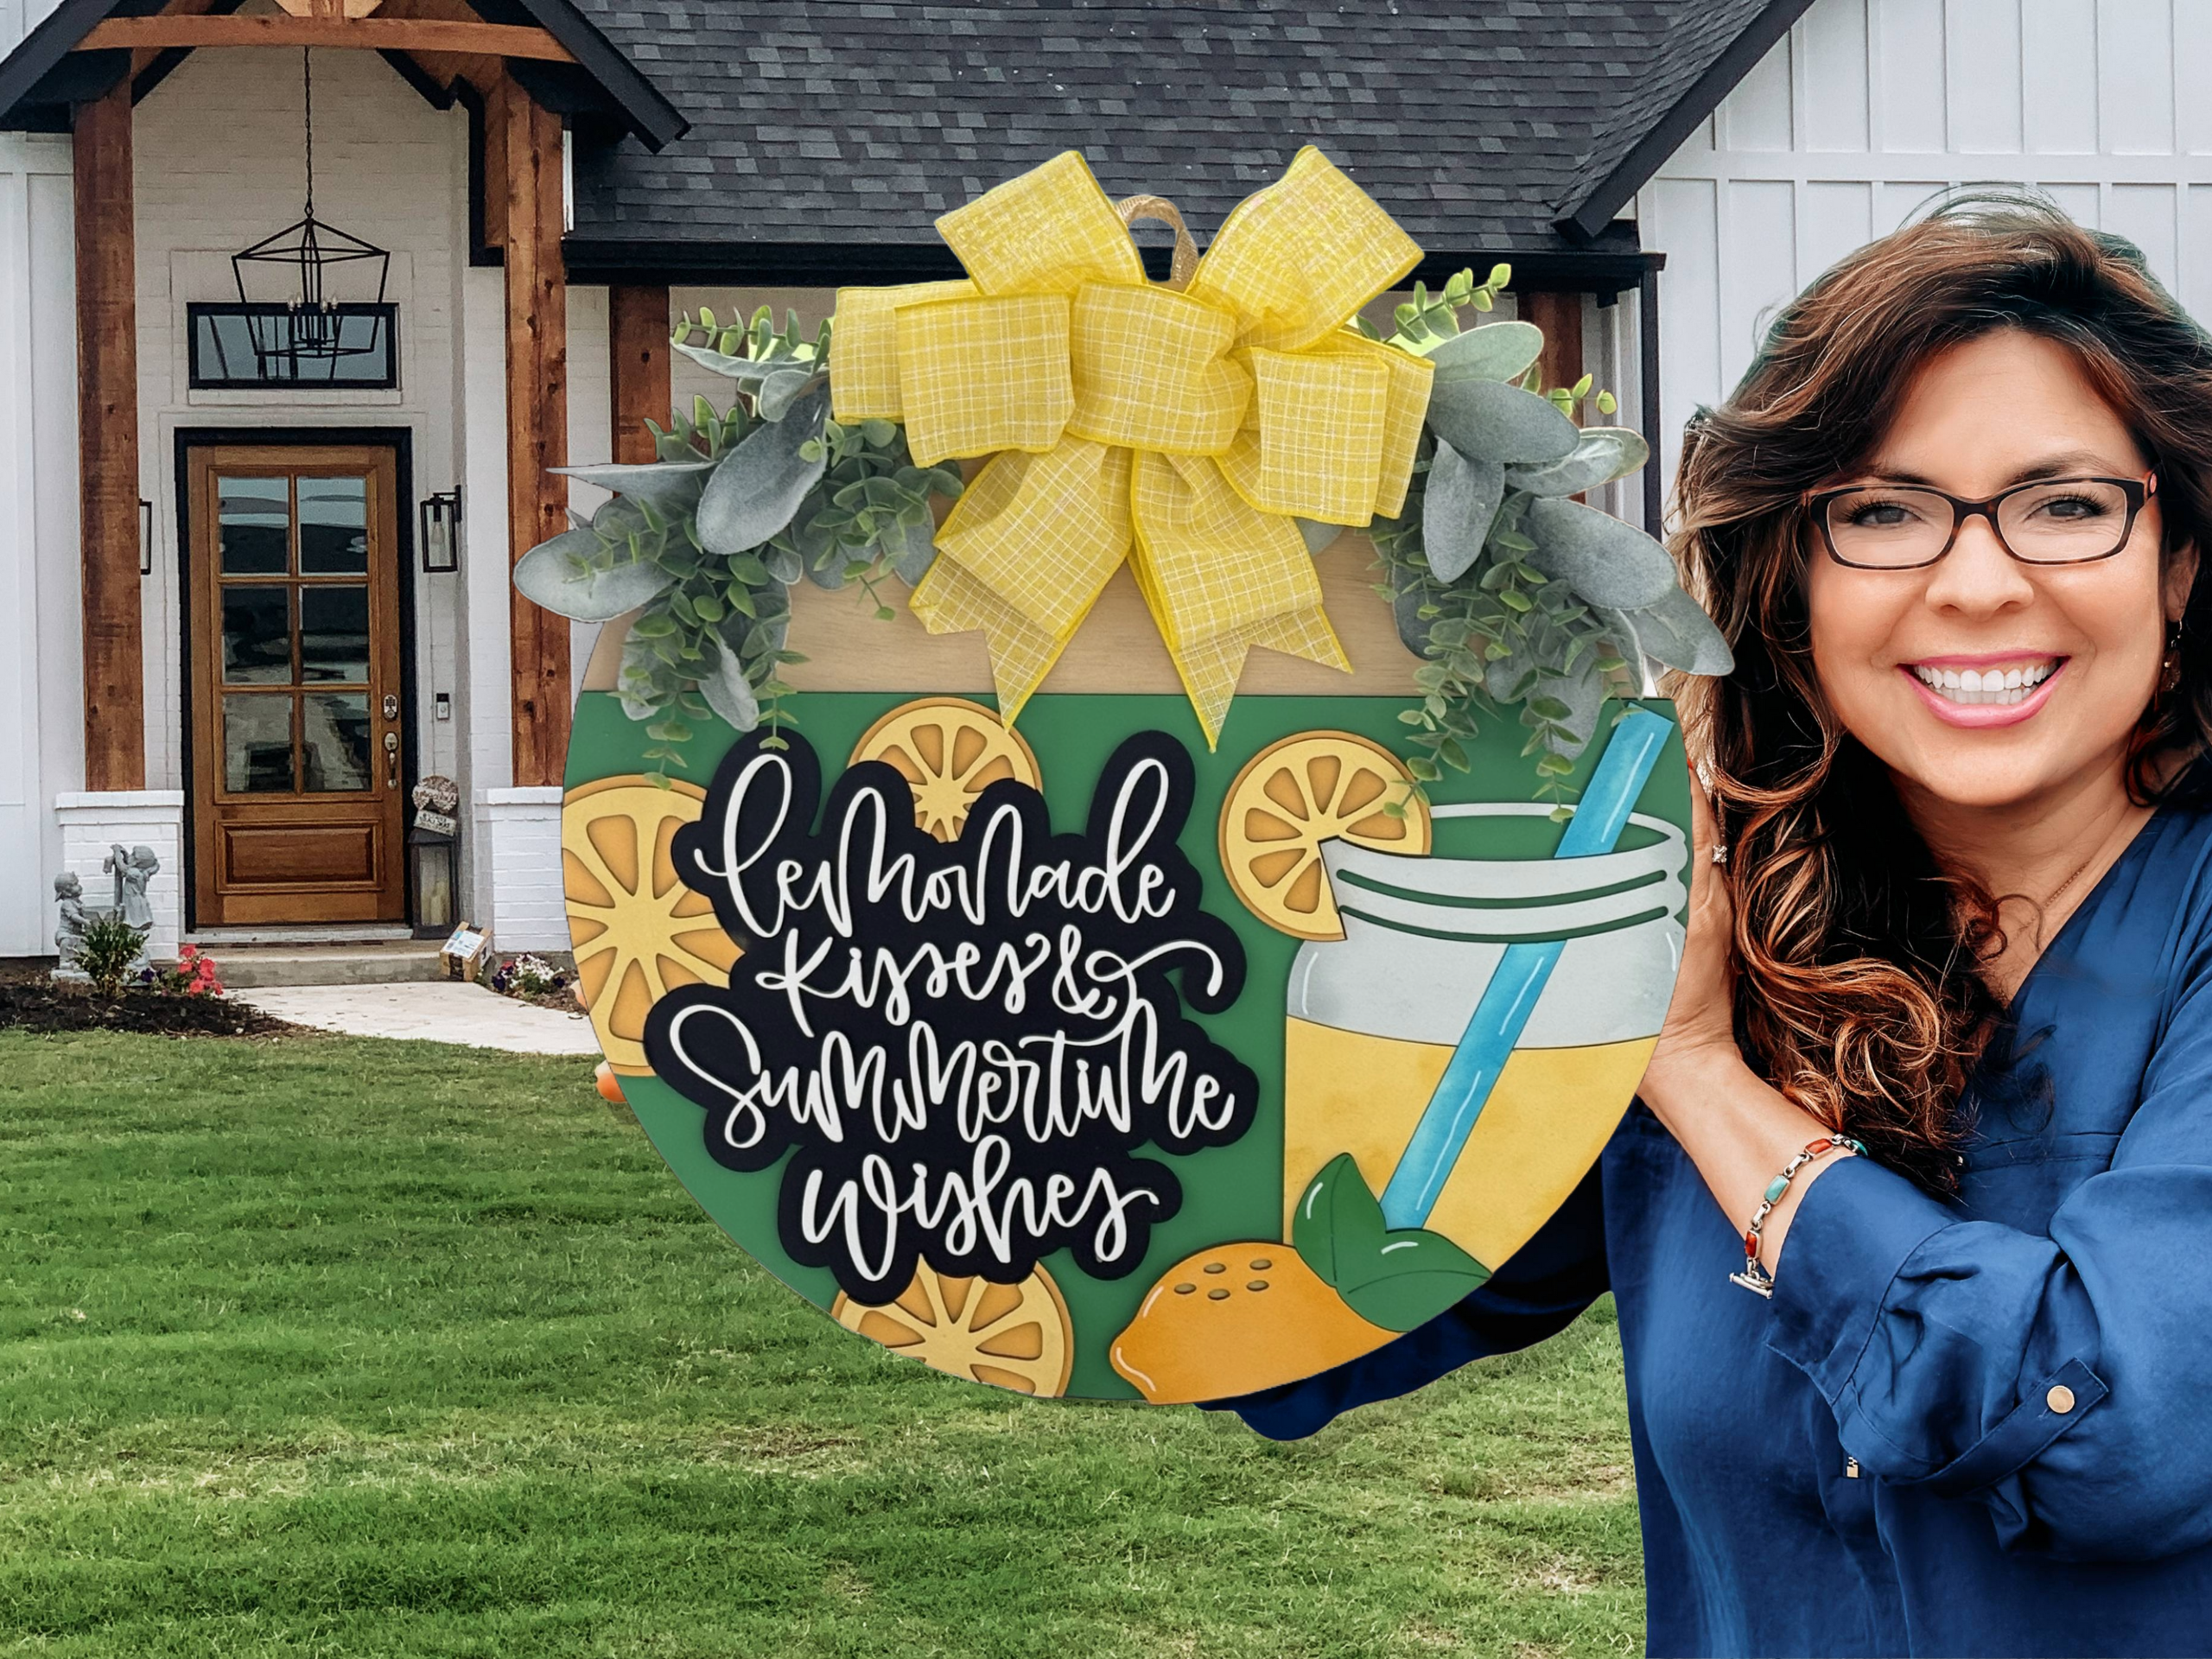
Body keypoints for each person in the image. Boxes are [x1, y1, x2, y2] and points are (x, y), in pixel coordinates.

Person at [1217, 194, 2212, 1657]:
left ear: (2179, 567)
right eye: (1882, 511)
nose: (1980, 580)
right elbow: (1304, 1319)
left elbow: (2113, 1435)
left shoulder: (1684, 1008)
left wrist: (1693, 1073)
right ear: (1790, 584)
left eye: (2068, 505)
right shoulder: (1719, 921)